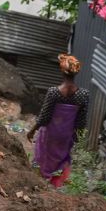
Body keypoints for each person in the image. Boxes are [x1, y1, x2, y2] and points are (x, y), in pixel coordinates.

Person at [26, 53, 89, 188]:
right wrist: (76, 137)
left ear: (62, 70)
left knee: (43, 157)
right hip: (66, 135)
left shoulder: (53, 92)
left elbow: (44, 116)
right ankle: (55, 184)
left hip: (50, 133)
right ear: (75, 72)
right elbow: (81, 121)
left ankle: (39, 182)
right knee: (61, 158)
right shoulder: (83, 95)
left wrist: (32, 130)